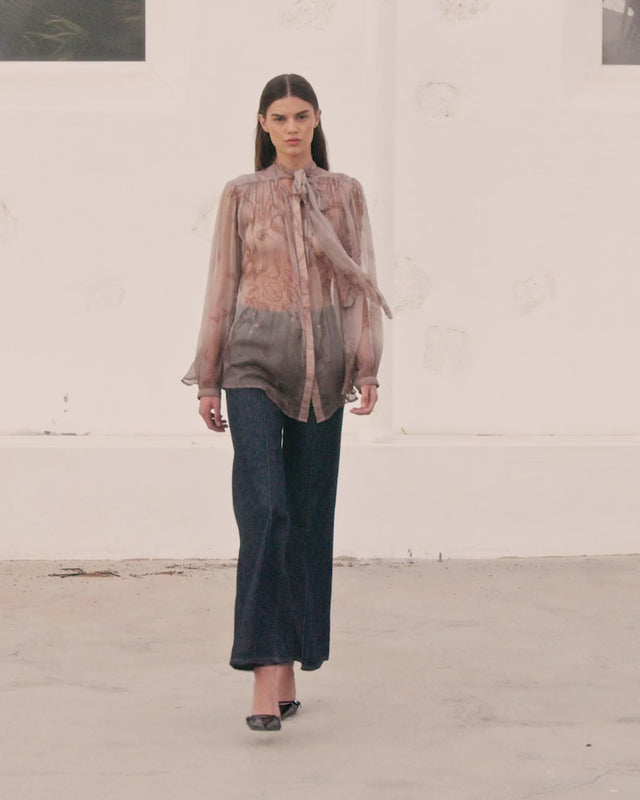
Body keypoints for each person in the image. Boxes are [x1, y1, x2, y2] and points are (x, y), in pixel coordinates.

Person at [182, 73, 391, 732]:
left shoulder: (345, 192)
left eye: (302, 115)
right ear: (264, 124)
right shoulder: (242, 194)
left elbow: (360, 284)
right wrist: (209, 377)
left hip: (323, 371)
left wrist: (366, 364)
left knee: (307, 518)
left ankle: (292, 659)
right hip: (250, 361)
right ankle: (264, 670)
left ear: (317, 119)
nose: (292, 127)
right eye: (280, 117)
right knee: (265, 508)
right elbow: (222, 283)